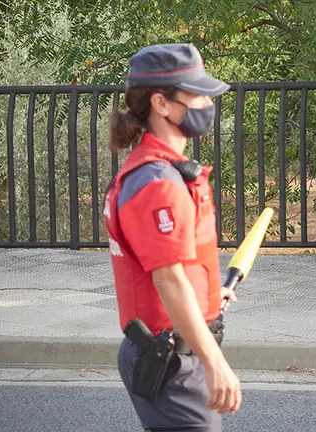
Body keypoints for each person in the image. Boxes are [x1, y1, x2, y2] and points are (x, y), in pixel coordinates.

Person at [103, 43, 240, 431]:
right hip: (171, 359)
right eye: (195, 94)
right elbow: (168, 278)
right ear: (162, 104)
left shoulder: (159, 171)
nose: (205, 102)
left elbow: (171, 267)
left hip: (172, 349)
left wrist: (209, 296)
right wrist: (215, 362)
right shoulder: (156, 181)